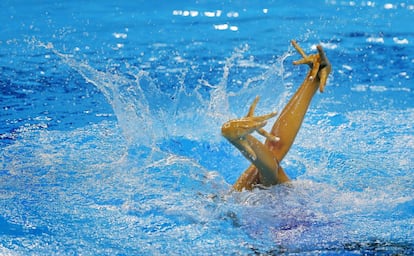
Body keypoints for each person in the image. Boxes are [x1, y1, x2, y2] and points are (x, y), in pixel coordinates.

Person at [221, 40, 331, 191]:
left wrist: (235, 135)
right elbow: (274, 155)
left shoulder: (252, 191)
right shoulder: (248, 191)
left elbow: (272, 162)